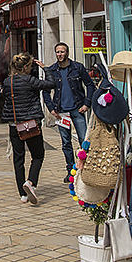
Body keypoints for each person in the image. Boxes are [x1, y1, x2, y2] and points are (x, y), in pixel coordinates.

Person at [2, 52, 54, 205]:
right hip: (30, 124)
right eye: (30, 67)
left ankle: (22, 194)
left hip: (14, 124)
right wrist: (46, 69)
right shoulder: (30, 80)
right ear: (25, 67)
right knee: (38, 155)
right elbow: (51, 84)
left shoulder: (7, 82)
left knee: (18, 159)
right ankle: (30, 182)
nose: (31, 69)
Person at [43, 42, 95, 182]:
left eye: (62, 52)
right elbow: (46, 91)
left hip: (77, 109)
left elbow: (90, 84)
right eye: (58, 52)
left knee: (84, 140)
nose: (60, 54)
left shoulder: (77, 67)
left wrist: (87, 103)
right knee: (66, 142)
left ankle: (86, 169)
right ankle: (70, 171)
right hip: (61, 112)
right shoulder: (52, 70)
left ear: (67, 53)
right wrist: (51, 108)